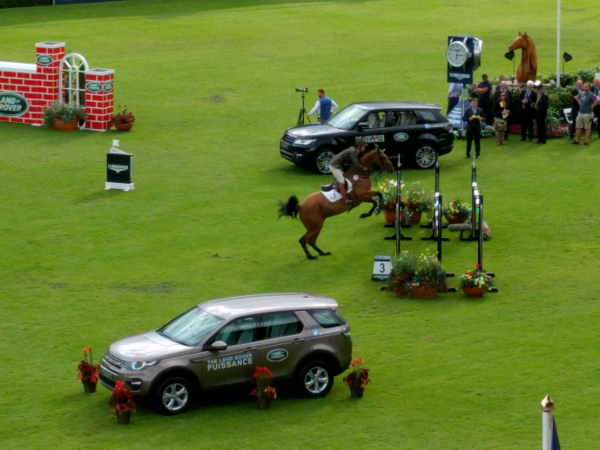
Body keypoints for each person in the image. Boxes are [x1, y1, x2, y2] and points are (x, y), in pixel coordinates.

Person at [329, 138, 368, 204]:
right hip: (334, 166)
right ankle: (345, 200)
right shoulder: (353, 151)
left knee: (346, 177)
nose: (365, 147)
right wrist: (364, 169)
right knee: (342, 181)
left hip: (338, 165)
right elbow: (356, 164)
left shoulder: (355, 150)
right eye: (364, 146)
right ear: (359, 146)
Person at [572, 82, 600, 148]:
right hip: (580, 113)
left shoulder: (591, 94)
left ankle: (586, 141)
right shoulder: (581, 93)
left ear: (589, 87)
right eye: (584, 86)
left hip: (588, 113)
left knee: (587, 128)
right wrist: (579, 102)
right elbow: (576, 97)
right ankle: (577, 140)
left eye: (586, 86)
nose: (585, 87)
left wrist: (593, 105)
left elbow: (598, 99)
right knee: (578, 127)